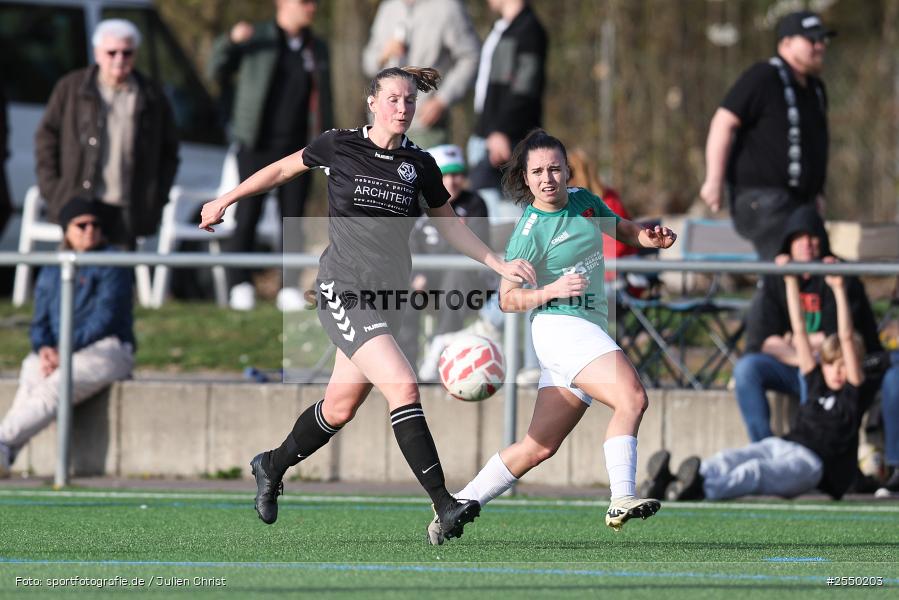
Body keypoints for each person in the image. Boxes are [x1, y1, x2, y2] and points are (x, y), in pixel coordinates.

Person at [199, 67, 535, 539]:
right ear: (372, 102)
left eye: (410, 100)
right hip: (343, 288)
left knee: (339, 408)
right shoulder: (339, 145)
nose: (403, 108)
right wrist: (227, 199)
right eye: (393, 99)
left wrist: (497, 263)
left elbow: (450, 225)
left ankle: (271, 464)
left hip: (389, 299)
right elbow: (280, 170)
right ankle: (444, 503)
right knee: (404, 386)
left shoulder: (420, 164)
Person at [427, 129, 677, 545]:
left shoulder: (583, 201)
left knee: (538, 446)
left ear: (567, 170)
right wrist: (551, 291)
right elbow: (507, 299)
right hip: (561, 328)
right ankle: (621, 497)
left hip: (582, 330)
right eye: (538, 172)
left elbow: (621, 229)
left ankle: (454, 507)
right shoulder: (530, 232)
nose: (548, 178)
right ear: (526, 179)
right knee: (632, 398)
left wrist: (648, 236)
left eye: (555, 169)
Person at [646, 260, 867, 501]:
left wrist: (838, 289)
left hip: (813, 463)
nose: (837, 371)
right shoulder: (816, 383)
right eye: (831, 364)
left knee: (756, 471)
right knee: (732, 457)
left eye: (844, 365)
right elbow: (799, 329)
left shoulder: (852, 395)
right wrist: (790, 282)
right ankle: (672, 482)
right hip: (784, 444)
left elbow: (846, 337)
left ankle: (702, 489)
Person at [208, 0, 333, 311]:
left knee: (293, 219)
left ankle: (288, 287)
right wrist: (230, 41)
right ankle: (240, 285)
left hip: (300, 149)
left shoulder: (316, 48)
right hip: (256, 143)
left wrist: (325, 141)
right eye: (305, 2)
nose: (312, 8)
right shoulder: (257, 37)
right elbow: (216, 69)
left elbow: (323, 100)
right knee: (247, 213)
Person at [0, 198, 135, 477]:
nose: (90, 230)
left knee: (54, 388)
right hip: (61, 350)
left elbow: (104, 320)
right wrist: (44, 348)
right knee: (31, 372)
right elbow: (39, 321)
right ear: (66, 230)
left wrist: (64, 349)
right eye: (81, 225)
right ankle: (4, 452)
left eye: (95, 225)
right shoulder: (53, 266)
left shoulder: (113, 262)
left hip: (107, 349)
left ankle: (2, 443)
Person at [734, 205, 881, 442]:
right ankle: (764, 446)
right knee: (746, 369)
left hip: (829, 369)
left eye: (813, 237)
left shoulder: (836, 273)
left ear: (822, 241)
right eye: (799, 237)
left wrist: (791, 342)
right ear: (789, 243)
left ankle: (810, 441)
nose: (807, 243)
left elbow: (838, 339)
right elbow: (764, 341)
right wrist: (802, 354)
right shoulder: (777, 276)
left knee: (810, 373)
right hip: (798, 363)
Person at [699, 10, 835, 260]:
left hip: (799, 203)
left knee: (827, 264)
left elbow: (816, 145)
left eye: (822, 40)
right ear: (786, 43)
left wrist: (818, 194)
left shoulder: (816, 89)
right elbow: (723, 121)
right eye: (811, 40)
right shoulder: (763, 76)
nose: (820, 46)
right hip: (761, 200)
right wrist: (714, 180)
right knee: (792, 261)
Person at [35, 19, 179, 248]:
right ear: (97, 53)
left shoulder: (151, 94)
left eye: (126, 52)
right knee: (75, 267)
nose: (119, 59)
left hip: (128, 206)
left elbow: (169, 151)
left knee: (119, 268)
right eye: (112, 52)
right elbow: (46, 138)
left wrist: (157, 196)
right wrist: (54, 191)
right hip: (79, 202)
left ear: (135, 54)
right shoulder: (71, 87)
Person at [397, 144, 490, 369]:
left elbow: (474, 248)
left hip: (463, 281)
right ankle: (405, 365)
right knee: (403, 290)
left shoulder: (474, 204)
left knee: (456, 276)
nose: (451, 181)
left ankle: (441, 350)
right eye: (444, 175)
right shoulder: (416, 203)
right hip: (424, 276)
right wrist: (418, 273)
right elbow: (408, 242)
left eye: (457, 174)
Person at [362, 0, 479, 149]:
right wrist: (383, 55)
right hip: (381, 128)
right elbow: (368, 64)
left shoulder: (447, 7)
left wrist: (442, 99)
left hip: (423, 128)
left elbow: (471, 57)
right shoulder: (388, 8)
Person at [468, 0, 547, 218]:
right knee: (483, 210)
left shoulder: (528, 30)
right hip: (487, 133)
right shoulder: (503, 28)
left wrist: (502, 130)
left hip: (509, 139)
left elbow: (525, 88)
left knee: (511, 214)